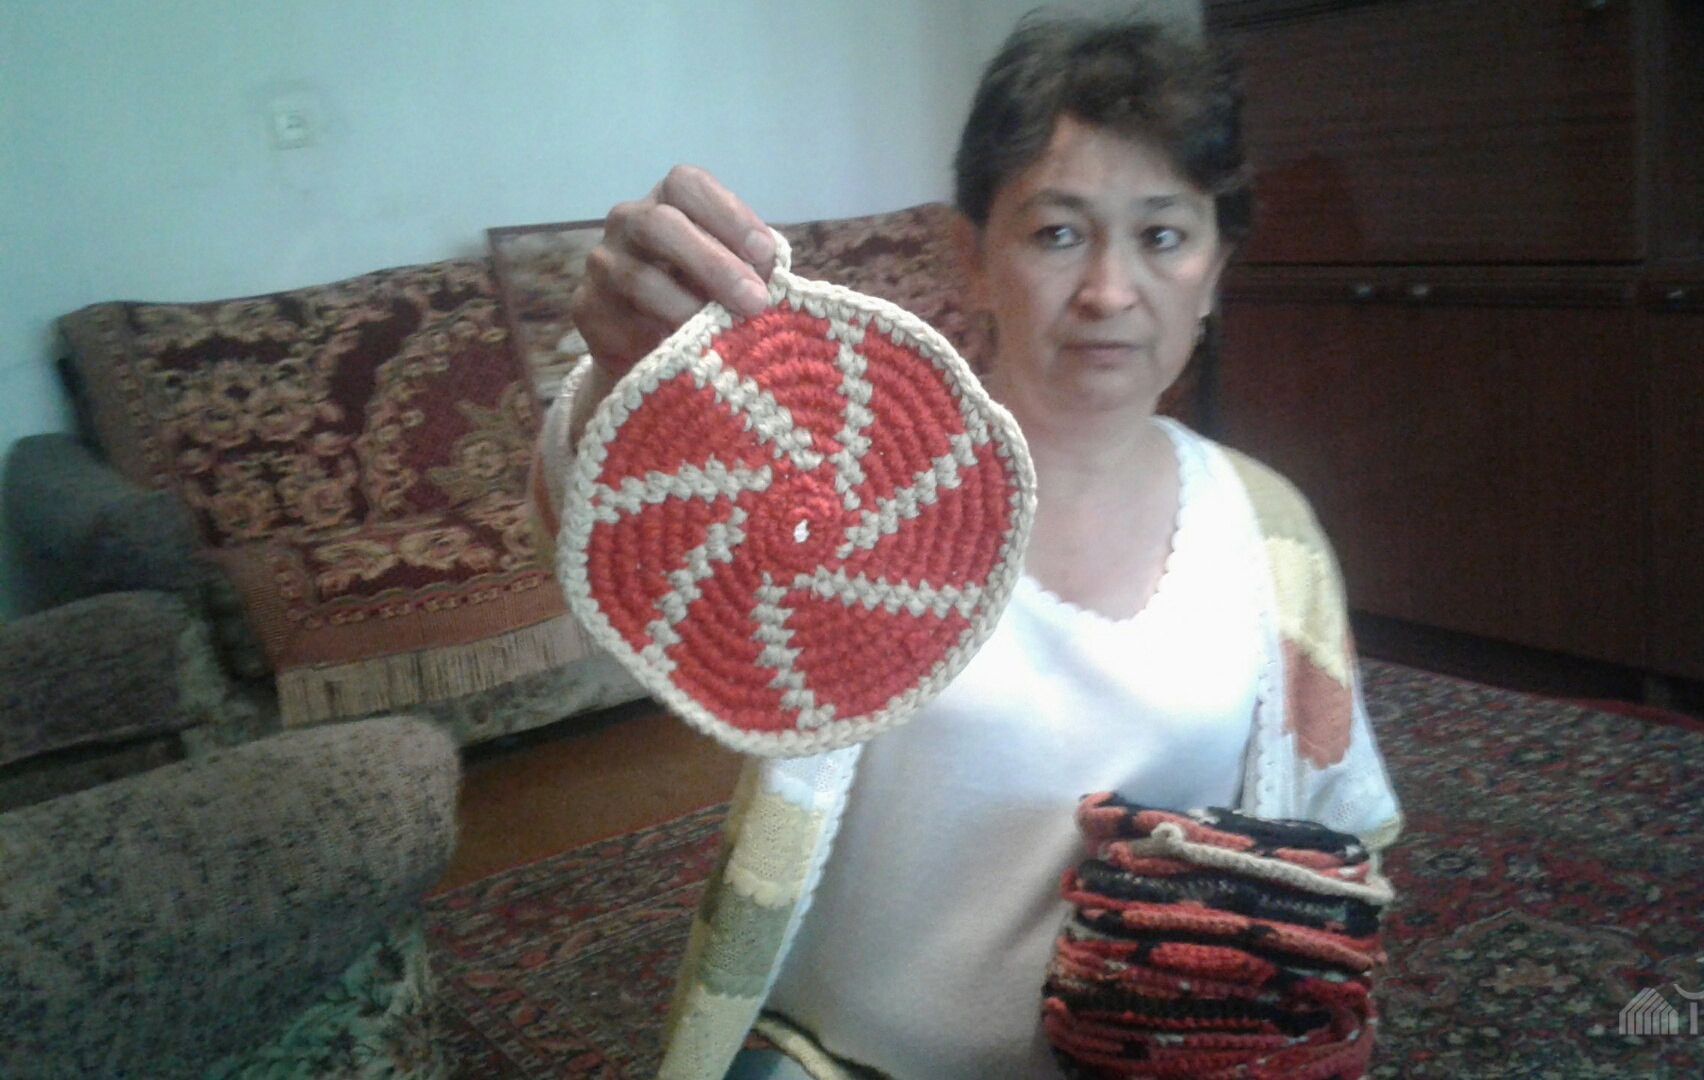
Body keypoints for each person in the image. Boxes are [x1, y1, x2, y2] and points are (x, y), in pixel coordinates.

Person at [539, 14, 1402, 1080]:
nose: (1110, 291)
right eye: (1058, 233)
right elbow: (624, 550)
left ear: (1216, 271)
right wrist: (621, 383)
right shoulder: (848, 487)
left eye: (1164, 236)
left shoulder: (1269, 530)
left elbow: (1333, 847)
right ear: (973, 257)